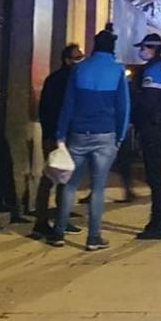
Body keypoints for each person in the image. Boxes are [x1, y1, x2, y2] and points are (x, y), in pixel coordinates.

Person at [51, 28, 130, 251]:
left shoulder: (80, 69)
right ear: (112, 48)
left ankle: (58, 231)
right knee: (98, 188)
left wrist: (60, 135)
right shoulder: (117, 71)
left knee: (69, 185)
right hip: (105, 135)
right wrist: (120, 136)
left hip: (78, 133)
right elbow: (123, 107)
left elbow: (68, 105)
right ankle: (93, 237)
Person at [31, 44, 84, 240]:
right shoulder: (68, 80)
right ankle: (50, 221)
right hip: (60, 136)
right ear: (67, 60)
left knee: (54, 178)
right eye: (77, 57)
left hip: (53, 135)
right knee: (57, 178)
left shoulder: (54, 79)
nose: (80, 60)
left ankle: (48, 220)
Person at [131, 33, 161, 240]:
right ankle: (158, 221)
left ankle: (158, 224)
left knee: (154, 177)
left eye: (145, 47)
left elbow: (148, 103)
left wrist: (135, 98)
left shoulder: (153, 71)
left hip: (152, 128)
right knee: (155, 176)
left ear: (154, 49)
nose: (142, 51)